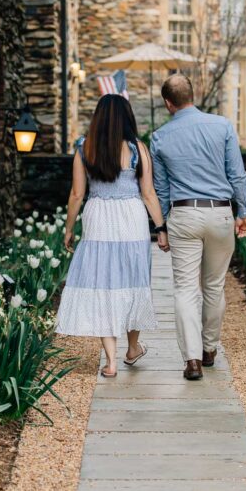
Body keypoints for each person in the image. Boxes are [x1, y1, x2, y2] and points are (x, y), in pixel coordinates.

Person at [55, 94, 168, 377]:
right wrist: (161, 228)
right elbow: (149, 193)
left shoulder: (85, 148)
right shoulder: (138, 148)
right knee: (133, 279)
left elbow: (77, 194)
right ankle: (132, 348)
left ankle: (111, 361)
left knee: (103, 282)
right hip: (131, 218)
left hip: (98, 217)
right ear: (127, 117)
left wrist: (69, 228)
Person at [150, 74, 246, 381]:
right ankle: (209, 349)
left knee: (184, 289)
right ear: (192, 95)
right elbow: (237, 174)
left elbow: (161, 188)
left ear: (168, 103)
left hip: (183, 215)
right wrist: (243, 210)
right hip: (220, 213)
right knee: (213, 285)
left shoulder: (159, 137)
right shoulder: (221, 126)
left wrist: (161, 227)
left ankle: (192, 359)